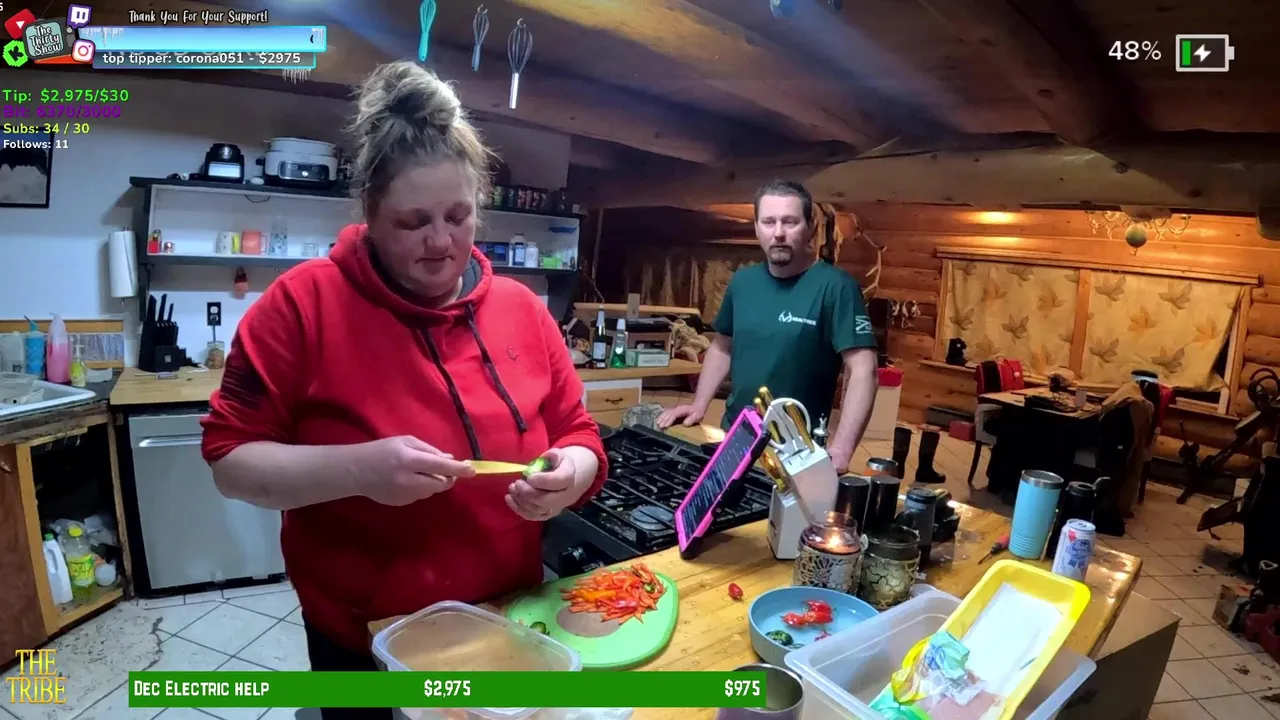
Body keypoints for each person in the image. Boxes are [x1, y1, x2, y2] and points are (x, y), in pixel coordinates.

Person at [200, 61, 607, 719]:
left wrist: (573, 474)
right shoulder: (300, 307)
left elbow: (579, 433)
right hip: (362, 635)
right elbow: (230, 462)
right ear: (369, 212)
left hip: (505, 619)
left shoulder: (523, 310)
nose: (441, 242)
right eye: (413, 222)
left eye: (458, 216)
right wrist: (360, 470)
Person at [657, 180, 878, 472]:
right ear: (757, 227)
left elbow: (864, 369)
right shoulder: (743, 282)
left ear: (810, 227)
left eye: (790, 222)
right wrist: (699, 405)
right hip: (735, 439)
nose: (779, 233)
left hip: (799, 452)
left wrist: (842, 447)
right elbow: (722, 346)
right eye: (769, 222)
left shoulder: (836, 286)